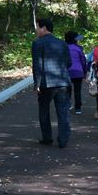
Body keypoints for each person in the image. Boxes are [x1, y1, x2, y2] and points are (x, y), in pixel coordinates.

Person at [31, 18, 72, 148]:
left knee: (44, 111)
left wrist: (36, 84)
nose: (36, 30)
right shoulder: (62, 43)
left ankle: (47, 138)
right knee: (63, 112)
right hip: (63, 82)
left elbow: (37, 65)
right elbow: (69, 62)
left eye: (38, 27)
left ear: (44, 28)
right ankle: (63, 139)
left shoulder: (38, 43)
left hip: (46, 83)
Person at [64, 31, 87, 115]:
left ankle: (67, 105)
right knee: (77, 91)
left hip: (67, 72)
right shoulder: (79, 48)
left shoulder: (63, 48)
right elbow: (83, 61)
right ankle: (78, 108)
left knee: (67, 90)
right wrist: (84, 72)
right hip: (78, 72)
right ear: (75, 39)